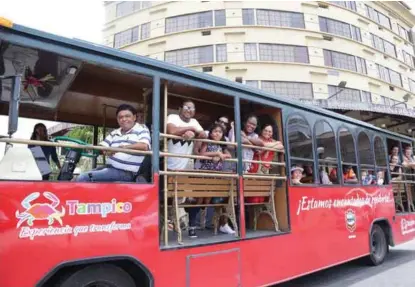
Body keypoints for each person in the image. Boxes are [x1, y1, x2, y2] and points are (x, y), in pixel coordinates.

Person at [76, 104, 151, 182]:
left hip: (126, 172)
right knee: (78, 177)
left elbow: (144, 146)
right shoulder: (115, 132)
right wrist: (105, 150)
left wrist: (120, 148)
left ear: (134, 117)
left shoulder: (141, 129)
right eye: (120, 117)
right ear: (117, 120)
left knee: (83, 178)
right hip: (109, 168)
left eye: (127, 116)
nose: (124, 119)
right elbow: (102, 146)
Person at [166, 99, 207, 238]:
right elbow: (171, 130)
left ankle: (187, 225)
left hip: (186, 167)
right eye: (186, 107)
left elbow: (203, 134)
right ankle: (175, 222)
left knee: (189, 197)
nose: (189, 110)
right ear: (180, 108)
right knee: (169, 197)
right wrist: (188, 130)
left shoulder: (194, 122)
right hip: (169, 166)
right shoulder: (173, 117)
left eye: (192, 108)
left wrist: (194, 133)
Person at [198, 124, 235, 234]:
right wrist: (216, 153)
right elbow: (202, 153)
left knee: (216, 199)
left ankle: (220, 223)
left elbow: (229, 156)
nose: (217, 133)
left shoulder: (221, 145)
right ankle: (199, 222)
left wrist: (220, 155)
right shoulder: (207, 142)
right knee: (203, 200)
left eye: (220, 132)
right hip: (206, 175)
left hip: (217, 175)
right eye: (215, 131)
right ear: (210, 133)